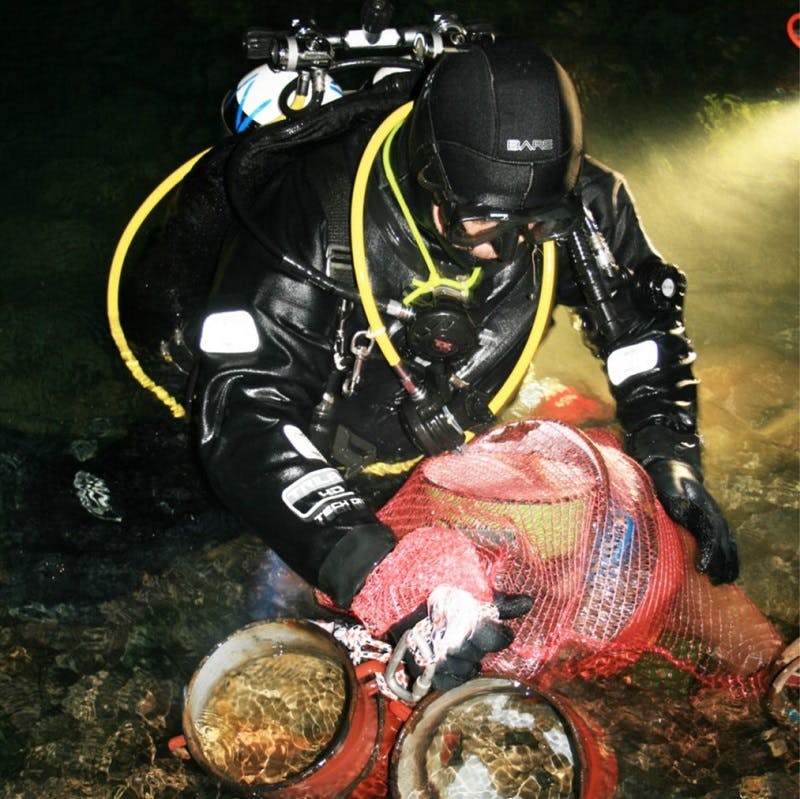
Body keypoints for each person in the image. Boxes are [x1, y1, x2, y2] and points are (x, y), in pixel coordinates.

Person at [123, 37, 739, 689]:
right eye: (481, 220)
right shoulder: (314, 206)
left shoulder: (577, 205)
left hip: (419, 464)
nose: (502, 248)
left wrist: (670, 449)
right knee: (143, 581)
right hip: (273, 449)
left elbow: (642, 331)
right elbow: (249, 410)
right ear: (430, 178)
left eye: (532, 225)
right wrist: (385, 573)